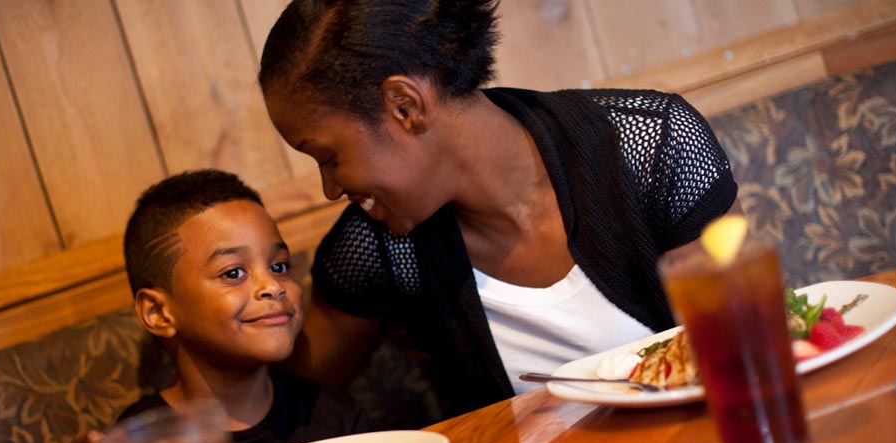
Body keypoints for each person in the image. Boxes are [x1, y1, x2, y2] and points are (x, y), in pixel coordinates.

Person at [258, 0, 739, 417]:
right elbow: (286, 400)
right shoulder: (380, 245)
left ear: (405, 105)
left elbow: (745, 340)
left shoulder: (648, 147)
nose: (329, 188)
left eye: (328, 157)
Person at [53, 170, 372, 443]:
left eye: (278, 266)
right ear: (158, 313)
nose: (273, 286)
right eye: (233, 273)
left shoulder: (335, 417)